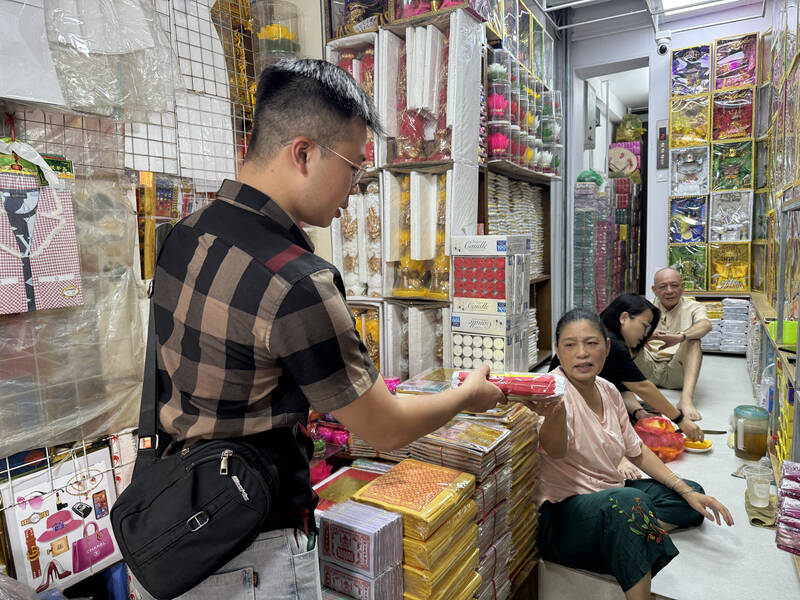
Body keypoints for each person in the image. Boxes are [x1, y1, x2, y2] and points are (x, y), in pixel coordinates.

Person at [146, 59, 505, 599]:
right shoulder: (296, 281)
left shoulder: (185, 233)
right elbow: (383, 428)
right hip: (251, 544)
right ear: (304, 153)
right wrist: (466, 396)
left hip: (174, 522)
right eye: (355, 167)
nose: (355, 190)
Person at [527, 309, 733, 600]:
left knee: (690, 497)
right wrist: (555, 415)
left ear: (607, 347)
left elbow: (637, 452)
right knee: (629, 502)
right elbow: (554, 448)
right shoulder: (550, 393)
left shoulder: (608, 390)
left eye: (591, 343)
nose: (582, 353)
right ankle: (628, 542)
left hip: (611, 496)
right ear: (558, 351)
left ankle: (624, 535)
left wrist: (685, 490)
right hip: (564, 516)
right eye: (570, 345)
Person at [551, 294, 703, 443]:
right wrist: (680, 420)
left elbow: (622, 388)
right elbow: (643, 387)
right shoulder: (613, 345)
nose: (645, 334)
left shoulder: (612, 340)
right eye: (645, 326)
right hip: (567, 408)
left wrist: (639, 412)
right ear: (624, 318)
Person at [633, 267, 713, 422]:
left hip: (677, 370)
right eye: (663, 287)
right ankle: (623, 396)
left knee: (693, 341)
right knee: (625, 342)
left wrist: (680, 337)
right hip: (646, 368)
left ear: (682, 287)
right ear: (654, 290)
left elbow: (706, 325)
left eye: (674, 285)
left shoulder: (694, 307)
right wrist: (641, 338)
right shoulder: (644, 307)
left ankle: (686, 400)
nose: (669, 291)